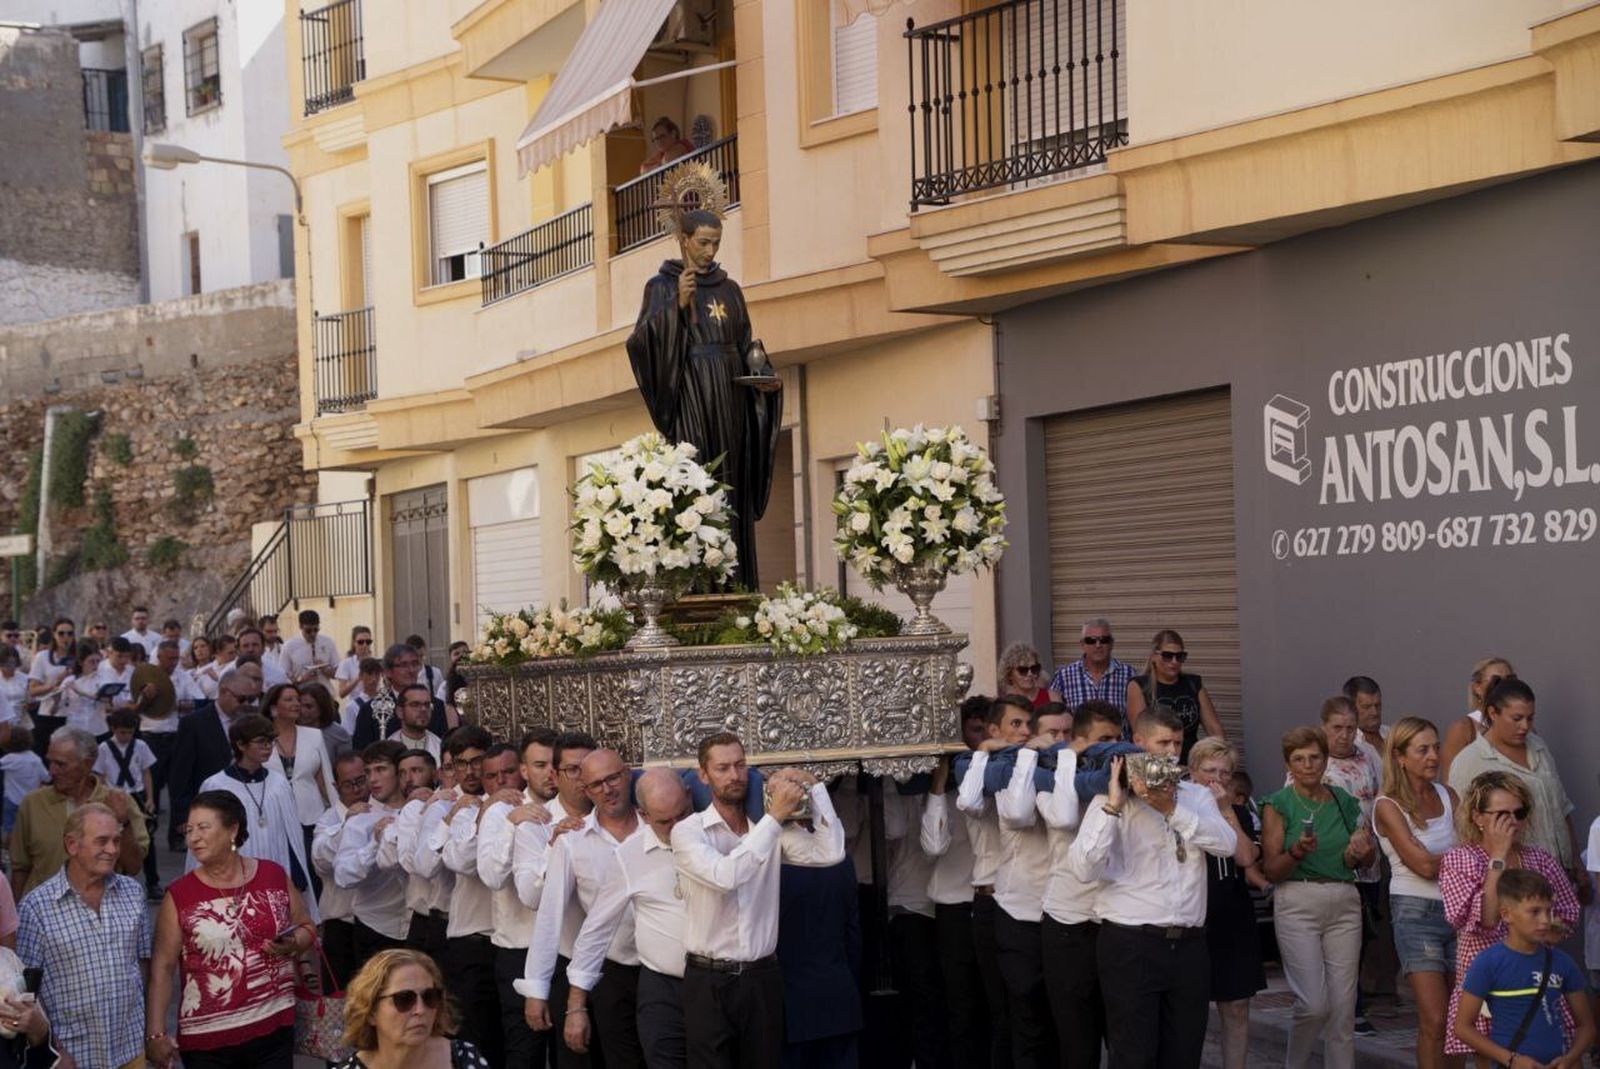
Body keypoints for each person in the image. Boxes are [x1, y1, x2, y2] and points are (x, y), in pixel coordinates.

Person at [1067, 706, 1239, 1069]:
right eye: (1162, 743)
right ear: (1139, 743)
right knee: (1133, 1055)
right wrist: (1113, 807)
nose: (1171, 752)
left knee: (1184, 1054)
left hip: (1189, 945)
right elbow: (1083, 868)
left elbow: (1226, 845)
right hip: (1131, 943)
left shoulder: (1196, 796)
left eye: (1177, 743)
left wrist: (1172, 808)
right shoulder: (1111, 795)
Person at [625, 206, 784, 589]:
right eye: (703, 243)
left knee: (733, 481)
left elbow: (748, 344)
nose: (710, 251)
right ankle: (699, 586)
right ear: (683, 240)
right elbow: (640, 343)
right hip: (691, 395)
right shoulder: (661, 286)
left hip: (731, 397)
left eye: (716, 243)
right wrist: (675, 306)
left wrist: (762, 376)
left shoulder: (730, 289)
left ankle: (736, 583)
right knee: (700, 478)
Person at [671, 732, 845, 1068]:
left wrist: (815, 788)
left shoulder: (767, 827)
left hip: (761, 977)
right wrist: (775, 818)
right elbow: (727, 877)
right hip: (708, 980)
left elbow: (830, 852)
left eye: (740, 765)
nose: (734, 776)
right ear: (704, 775)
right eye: (722, 768)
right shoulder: (688, 831)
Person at [146, 789, 314, 1068]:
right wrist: (155, 1033)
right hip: (208, 1044)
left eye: (203, 827)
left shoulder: (272, 875)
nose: (193, 838)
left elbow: (307, 927)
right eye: (188, 830)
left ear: (232, 829)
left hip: (274, 1030)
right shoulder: (179, 895)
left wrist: (293, 943)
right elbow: (162, 968)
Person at [1440, 770, 1581, 1060]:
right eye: (1501, 815)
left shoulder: (1539, 859)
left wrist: (1543, 926)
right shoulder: (1460, 859)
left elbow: (1568, 915)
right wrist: (1498, 858)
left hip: (1536, 974)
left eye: (1519, 813)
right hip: (1488, 983)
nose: (1512, 822)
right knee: (1492, 1058)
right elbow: (1487, 919)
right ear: (1478, 817)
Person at [1260, 724, 1377, 1069]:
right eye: (1299, 759)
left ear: (1325, 761)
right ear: (1288, 765)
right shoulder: (1278, 804)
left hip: (1344, 899)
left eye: (1315, 757)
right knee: (1312, 1003)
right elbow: (1271, 870)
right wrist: (1296, 851)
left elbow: (1361, 860)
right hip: (1298, 899)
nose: (1308, 765)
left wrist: (1361, 852)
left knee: (1343, 1008)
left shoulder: (1344, 801)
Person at [523, 748, 646, 1069]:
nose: (607, 790)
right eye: (597, 784)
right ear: (586, 790)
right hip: (610, 971)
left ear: (628, 773)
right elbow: (550, 915)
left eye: (613, 778)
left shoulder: (658, 827)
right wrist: (537, 988)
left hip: (663, 973)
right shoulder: (572, 841)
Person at [565, 769, 691, 1069]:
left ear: (688, 797)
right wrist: (576, 1006)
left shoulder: (718, 837)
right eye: (664, 821)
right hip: (661, 989)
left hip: (715, 987)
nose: (676, 829)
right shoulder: (629, 856)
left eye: (681, 816)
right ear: (645, 816)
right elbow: (596, 930)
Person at [16, 802, 152, 1068]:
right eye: (101, 841)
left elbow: (142, 964)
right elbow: (27, 991)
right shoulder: (37, 908)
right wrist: (52, 1049)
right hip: (72, 1057)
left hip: (129, 1049)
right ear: (72, 846)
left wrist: (146, 1029)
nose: (112, 850)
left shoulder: (133, 893)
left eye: (116, 840)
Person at [1036, 700, 1124, 1069]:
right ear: (1080, 740)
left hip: (1114, 923)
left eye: (1118, 739)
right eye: (1104, 740)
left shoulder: (1124, 780)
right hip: (1068, 924)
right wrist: (1069, 759)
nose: (1113, 749)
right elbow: (1064, 814)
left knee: (1122, 1039)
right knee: (1078, 1044)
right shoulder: (1047, 777)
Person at [1372, 716, 1460, 1069]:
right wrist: (1460, 857)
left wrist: (1445, 858)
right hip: (1415, 914)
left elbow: (1476, 852)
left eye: (1436, 747)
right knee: (1435, 1019)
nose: (1434, 756)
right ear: (1400, 756)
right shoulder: (1387, 805)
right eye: (1422, 749)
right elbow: (1421, 867)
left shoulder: (1448, 794)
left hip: (1459, 909)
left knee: (1458, 1021)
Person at [1446, 678, 1586, 896]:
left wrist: (1576, 861)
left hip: (1558, 873)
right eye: (1517, 718)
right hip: (1512, 883)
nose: (1525, 726)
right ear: (1493, 713)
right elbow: (1462, 827)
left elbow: (1562, 807)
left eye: (1530, 718)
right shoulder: (1470, 761)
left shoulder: (1538, 746)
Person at [954, 695, 1032, 1069]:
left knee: (1030, 1017)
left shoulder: (1032, 768)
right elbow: (970, 802)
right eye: (1015, 725)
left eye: (1027, 725)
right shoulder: (971, 766)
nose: (1024, 732)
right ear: (994, 730)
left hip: (1030, 901)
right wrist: (986, 752)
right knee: (1001, 1013)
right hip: (989, 901)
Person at [1453, 869, 1595, 1068]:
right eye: (1534, 911)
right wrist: (1510, 1059)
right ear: (1506, 914)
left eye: (1548, 911)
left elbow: (1587, 1025)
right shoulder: (1488, 962)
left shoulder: (1562, 962)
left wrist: (1570, 1058)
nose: (1545, 920)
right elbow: (1462, 1027)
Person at [513, 731, 596, 1068]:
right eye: (573, 770)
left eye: (588, 769)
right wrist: (555, 849)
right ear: (556, 775)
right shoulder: (535, 824)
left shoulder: (616, 816)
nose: (584, 779)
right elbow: (531, 897)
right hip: (566, 961)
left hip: (618, 965)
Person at [917, 697, 991, 1069]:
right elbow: (933, 846)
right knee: (960, 1007)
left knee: (996, 1006)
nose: (983, 737)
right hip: (955, 909)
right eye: (976, 730)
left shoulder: (1001, 782)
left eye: (987, 729)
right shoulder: (944, 790)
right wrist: (938, 785)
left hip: (996, 907)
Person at [478, 728, 559, 1069]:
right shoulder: (502, 811)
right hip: (519, 950)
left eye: (557, 763)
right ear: (525, 771)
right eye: (540, 764)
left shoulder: (577, 808)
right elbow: (492, 877)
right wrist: (513, 824)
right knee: (525, 1054)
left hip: (564, 951)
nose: (550, 772)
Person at [1189, 737, 1266, 1069]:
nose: (1216, 779)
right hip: (1193, 918)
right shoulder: (1177, 808)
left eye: (1224, 773)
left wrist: (1224, 812)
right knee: (1189, 1012)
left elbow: (1246, 857)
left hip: (1233, 917)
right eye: (1209, 771)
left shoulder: (1238, 812)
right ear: (1192, 772)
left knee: (1236, 1006)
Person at [1310, 695, 1386, 1036]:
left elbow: (1381, 796)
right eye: (1337, 728)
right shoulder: (1315, 762)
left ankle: (1352, 1002)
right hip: (1332, 864)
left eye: (1350, 728)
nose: (1344, 735)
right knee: (1337, 939)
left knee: (1363, 936)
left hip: (1368, 862)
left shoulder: (1368, 754)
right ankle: (1346, 1010)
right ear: (1324, 727)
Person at [195, 713, 317, 917]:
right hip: (232, 872)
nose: (268, 747)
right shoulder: (216, 785)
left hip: (274, 867)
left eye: (271, 741)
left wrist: (297, 874)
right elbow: (204, 838)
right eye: (261, 741)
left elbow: (292, 835)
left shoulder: (278, 783)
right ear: (241, 745)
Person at [10, 728, 147, 899]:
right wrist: (15, 919)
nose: (51, 771)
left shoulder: (119, 802)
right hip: (43, 916)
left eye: (61, 764)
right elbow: (20, 868)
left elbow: (134, 866)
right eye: (50, 762)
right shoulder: (32, 803)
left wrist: (123, 823)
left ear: (88, 764)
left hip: (101, 913)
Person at [434, 725, 503, 1062]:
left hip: (510, 941)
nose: (471, 771)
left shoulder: (508, 799)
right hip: (471, 939)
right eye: (462, 764)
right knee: (476, 1040)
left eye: (478, 761)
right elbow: (460, 860)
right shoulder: (460, 808)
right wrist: (483, 815)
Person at [330, 948, 492, 1069]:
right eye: (404, 999)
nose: (420, 1010)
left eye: (430, 996)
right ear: (371, 1011)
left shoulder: (464, 1058)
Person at [335, 741, 413, 971]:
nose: (373, 779)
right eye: (368, 772)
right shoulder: (361, 820)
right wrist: (373, 845)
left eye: (381, 769)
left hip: (418, 927)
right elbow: (343, 875)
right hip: (375, 928)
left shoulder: (421, 810)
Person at [169, 662, 264, 850]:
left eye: (251, 699)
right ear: (223, 691)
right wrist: (182, 816)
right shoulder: (194, 724)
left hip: (248, 810)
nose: (246, 704)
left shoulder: (254, 723)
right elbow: (180, 774)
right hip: (208, 810)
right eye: (242, 698)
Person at [261, 682, 336, 883]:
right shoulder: (260, 738)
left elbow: (325, 780)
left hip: (310, 817)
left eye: (298, 700)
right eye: (289, 699)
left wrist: (338, 815)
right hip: (273, 817)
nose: (297, 704)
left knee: (312, 876)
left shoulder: (314, 735)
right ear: (274, 707)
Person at [313, 750, 368, 996]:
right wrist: (348, 825)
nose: (357, 788)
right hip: (341, 922)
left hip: (373, 923)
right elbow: (321, 860)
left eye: (361, 780)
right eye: (349, 784)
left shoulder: (379, 809)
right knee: (339, 996)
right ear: (336, 786)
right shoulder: (328, 820)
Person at [1125, 629, 1226, 762]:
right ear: (1154, 657)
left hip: (1192, 763)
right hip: (1156, 764)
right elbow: (1142, 735)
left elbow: (1214, 729)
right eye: (1167, 656)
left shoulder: (1193, 683)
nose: (1174, 661)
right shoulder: (1139, 686)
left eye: (1180, 656)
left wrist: (1222, 759)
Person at [95, 708, 162, 899]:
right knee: (114, 840)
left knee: (146, 840)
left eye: (129, 732)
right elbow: (100, 776)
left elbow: (146, 772)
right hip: (113, 797)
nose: (126, 736)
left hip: (137, 795)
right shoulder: (104, 748)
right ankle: (115, 880)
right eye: (122, 732)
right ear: (113, 729)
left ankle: (153, 882)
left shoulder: (140, 746)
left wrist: (150, 798)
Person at [352, 644, 454, 749]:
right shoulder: (372, 709)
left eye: (415, 664)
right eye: (403, 665)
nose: (411, 670)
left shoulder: (436, 705)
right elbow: (361, 752)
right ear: (388, 672)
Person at [1440, 655, 1515, 781]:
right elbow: (1450, 782)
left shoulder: (1522, 727)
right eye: (1496, 681)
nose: (1503, 686)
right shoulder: (1463, 729)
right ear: (1477, 687)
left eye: (1510, 680)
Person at [1048, 616, 1137, 712]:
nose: (1098, 645)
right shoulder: (1063, 677)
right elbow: (1054, 716)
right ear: (1082, 644)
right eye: (1091, 640)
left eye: (1104, 640)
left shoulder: (1129, 675)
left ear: (1111, 644)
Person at [24, 619, 76, 754]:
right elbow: (33, 690)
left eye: (70, 634)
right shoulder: (43, 657)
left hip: (74, 714)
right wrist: (54, 684)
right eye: (61, 633)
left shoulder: (78, 656)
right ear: (54, 635)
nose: (66, 638)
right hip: (49, 713)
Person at [0, 730, 45, 839]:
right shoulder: (35, 759)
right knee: (28, 826)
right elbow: (46, 777)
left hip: (10, 799)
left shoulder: (9, 759)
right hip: (30, 800)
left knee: (9, 827)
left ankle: (9, 850)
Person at [281, 609, 339, 692]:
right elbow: (283, 676)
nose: (313, 634)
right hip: (301, 694)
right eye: (308, 631)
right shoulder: (289, 646)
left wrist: (325, 669)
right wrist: (300, 680)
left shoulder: (328, 642)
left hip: (325, 694)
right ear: (300, 627)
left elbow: (338, 674)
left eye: (316, 630)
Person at [389, 683, 443, 761]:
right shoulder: (389, 748)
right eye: (415, 704)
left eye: (427, 705)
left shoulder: (439, 746)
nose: (423, 709)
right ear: (400, 711)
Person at [996, 642, 1050, 708]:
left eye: (1034, 668)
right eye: (1023, 670)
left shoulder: (1052, 697)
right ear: (1009, 674)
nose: (1030, 674)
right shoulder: (1002, 705)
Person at [1342, 675, 1385, 751]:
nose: (1374, 712)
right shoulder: (1347, 744)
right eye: (1366, 707)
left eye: (1377, 705)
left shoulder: (1393, 735)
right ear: (1350, 708)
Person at [334, 626, 374, 699]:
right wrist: (358, 679)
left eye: (368, 642)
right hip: (355, 705)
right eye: (360, 642)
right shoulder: (346, 663)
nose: (365, 645)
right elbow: (341, 693)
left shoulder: (376, 662)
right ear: (354, 643)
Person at [0, 649, 25, 744]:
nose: (9, 667)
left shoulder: (24, 678)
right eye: (5, 664)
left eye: (12, 663)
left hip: (21, 724)